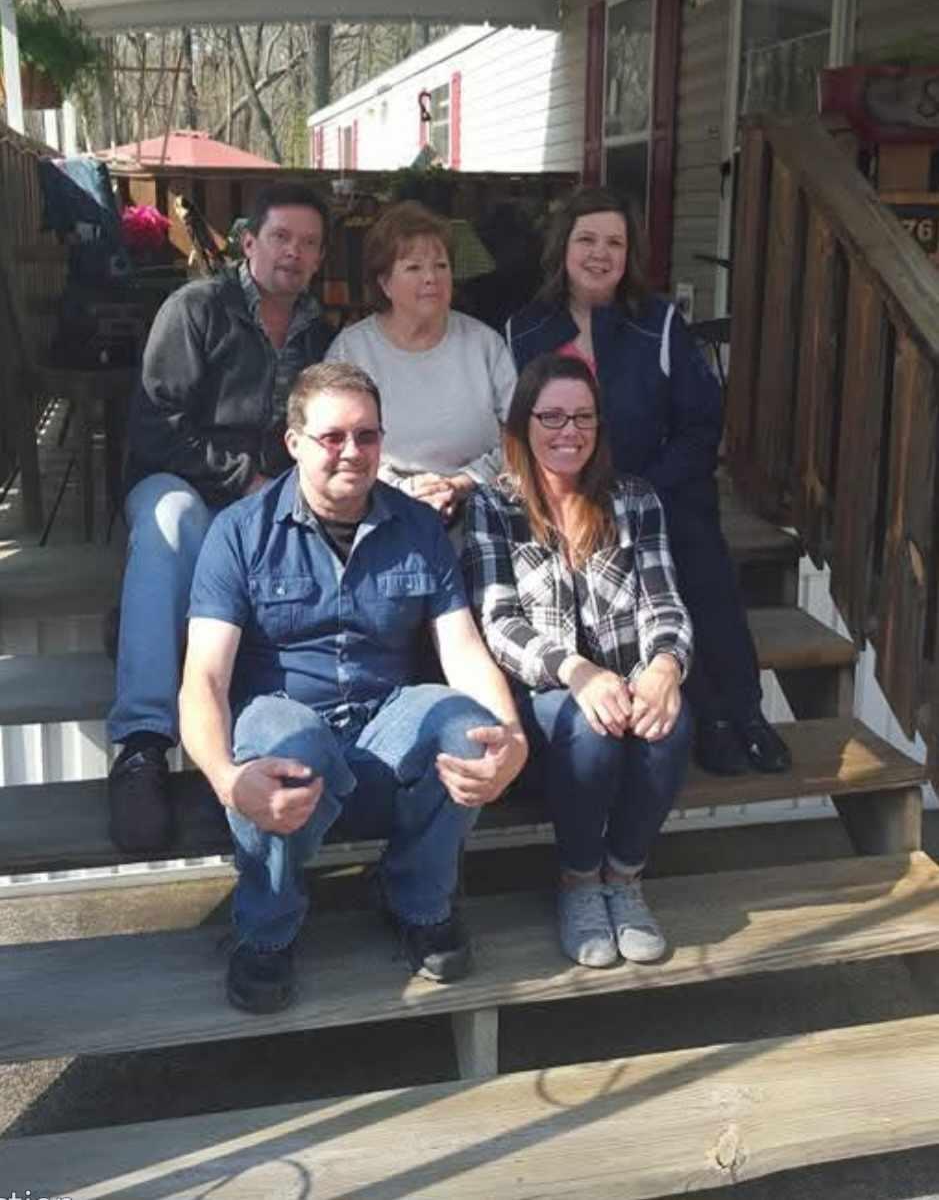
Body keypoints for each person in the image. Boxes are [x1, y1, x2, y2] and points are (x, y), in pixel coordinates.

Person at [180, 361, 528, 1014]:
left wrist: (511, 741)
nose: (351, 451)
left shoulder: (417, 528)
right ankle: (265, 928)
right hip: (285, 733)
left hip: (383, 726)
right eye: (332, 436)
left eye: (366, 436)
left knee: (469, 730)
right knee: (289, 740)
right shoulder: (240, 532)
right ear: (294, 442)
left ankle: (417, 899)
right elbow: (203, 675)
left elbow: (463, 649)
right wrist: (226, 778)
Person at [506, 186, 790, 779]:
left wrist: (645, 493)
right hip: (566, 498)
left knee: (701, 570)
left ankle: (744, 712)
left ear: (629, 254)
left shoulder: (657, 323)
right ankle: (704, 719)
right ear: (563, 248)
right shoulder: (525, 330)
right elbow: (521, 423)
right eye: (586, 239)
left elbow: (699, 424)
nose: (599, 253)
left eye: (615, 242)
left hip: (660, 486)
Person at [107, 181, 333, 856]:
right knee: (174, 520)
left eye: (309, 243)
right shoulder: (195, 309)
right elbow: (154, 428)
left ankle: (257, 734)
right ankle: (142, 744)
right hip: (181, 484)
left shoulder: (320, 333)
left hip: (268, 495)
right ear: (248, 242)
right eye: (282, 237)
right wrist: (247, 480)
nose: (294, 253)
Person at [463, 353, 692, 967]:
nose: (569, 432)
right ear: (523, 425)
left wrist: (664, 667)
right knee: (588, 730)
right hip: (545, 695)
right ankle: (580, 882)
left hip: (626, 676)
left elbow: (662, 600)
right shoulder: (494, 506)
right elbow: (499, 622)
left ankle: (624, 876)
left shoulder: (635, 500)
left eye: (583, 418)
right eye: (553, 417)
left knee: (671, 726)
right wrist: (578, 672)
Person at [326, 200, 516, 524]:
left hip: (480, 507)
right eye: (414, 268)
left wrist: (460, 484)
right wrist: (403, 488)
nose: (431, 278)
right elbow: (332, 442)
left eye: (441, 266)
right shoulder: (352, 350)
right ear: (385, 283)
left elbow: (523, 435)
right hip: (377, 507)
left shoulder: (486, 344)